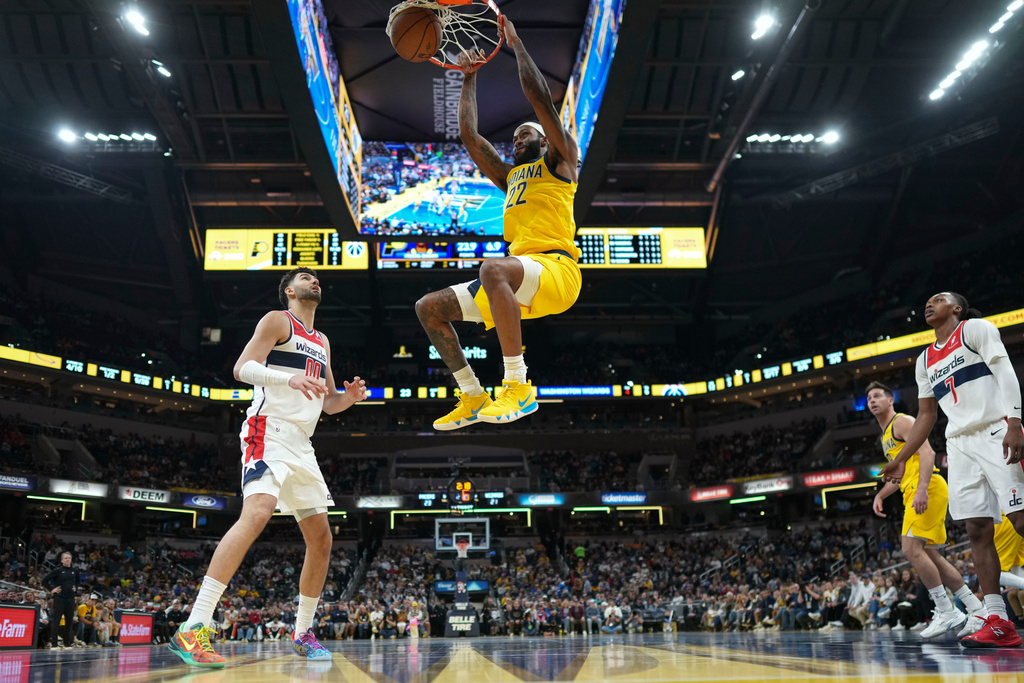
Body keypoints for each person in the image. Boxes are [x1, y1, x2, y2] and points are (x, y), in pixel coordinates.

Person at [170, 267, 367, 667]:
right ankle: (193, 626)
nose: (314, 281)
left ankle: (302, 632)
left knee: (322, 539)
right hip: (269, 430)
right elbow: (242, 368)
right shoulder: (278, 320)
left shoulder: (323, 341)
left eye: (316, 279)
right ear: (289, 292)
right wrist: (286, 380)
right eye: (305, 278)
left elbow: (326, 402)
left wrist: (348, 399)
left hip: (302, 443)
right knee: (257, 512)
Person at [416, 18, 582, 430]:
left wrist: (516, 44)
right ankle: (473, 395)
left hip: (557, 271)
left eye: (524, 135)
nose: (516, 141)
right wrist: (469, 78)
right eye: (514, 139)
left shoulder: (561, 163)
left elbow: (539, 97)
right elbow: (470, 136)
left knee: (493, 268)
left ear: (546, 141)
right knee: (429, 309)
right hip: (518, 278)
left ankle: (518, 385)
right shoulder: (510, 178)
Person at [881, 292, 1024, 648]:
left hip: (995, 429)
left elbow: (1005, 369)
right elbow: (927, 415)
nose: (928, 304)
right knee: (977, 529)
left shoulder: (975, 329)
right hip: (959, 445)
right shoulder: (925, 359)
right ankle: (998, 620)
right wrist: (900, 457)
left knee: (1021, 519)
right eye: (926, 302)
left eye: (938, 299)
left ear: (956, 308)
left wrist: (1016, 422)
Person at [867, 380, 985, 637]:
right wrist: (881, 494)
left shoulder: (902, 421)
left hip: (928, 487)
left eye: (877, 396)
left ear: (890, 400)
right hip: (917, 488)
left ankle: (946, 609)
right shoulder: (885, 434)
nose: (872, 401)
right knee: (932, 556)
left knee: (910, 548)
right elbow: (900, 474)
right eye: (869, 399)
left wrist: (921, 489)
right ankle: (977, 609)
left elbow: (928, 454)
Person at [42, 551, 78, 649]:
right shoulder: (58, 570)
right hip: (60, 598)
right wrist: (51, 590)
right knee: (56, 620)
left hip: (70, 599)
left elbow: (78, 581)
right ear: (62, 560)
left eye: (69, 558)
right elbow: (44, 580)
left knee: (69, 621)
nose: (67, 559)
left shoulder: (74, 570)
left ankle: (67, 643)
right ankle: (54, 644)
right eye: (65, 558)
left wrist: (76, 588)